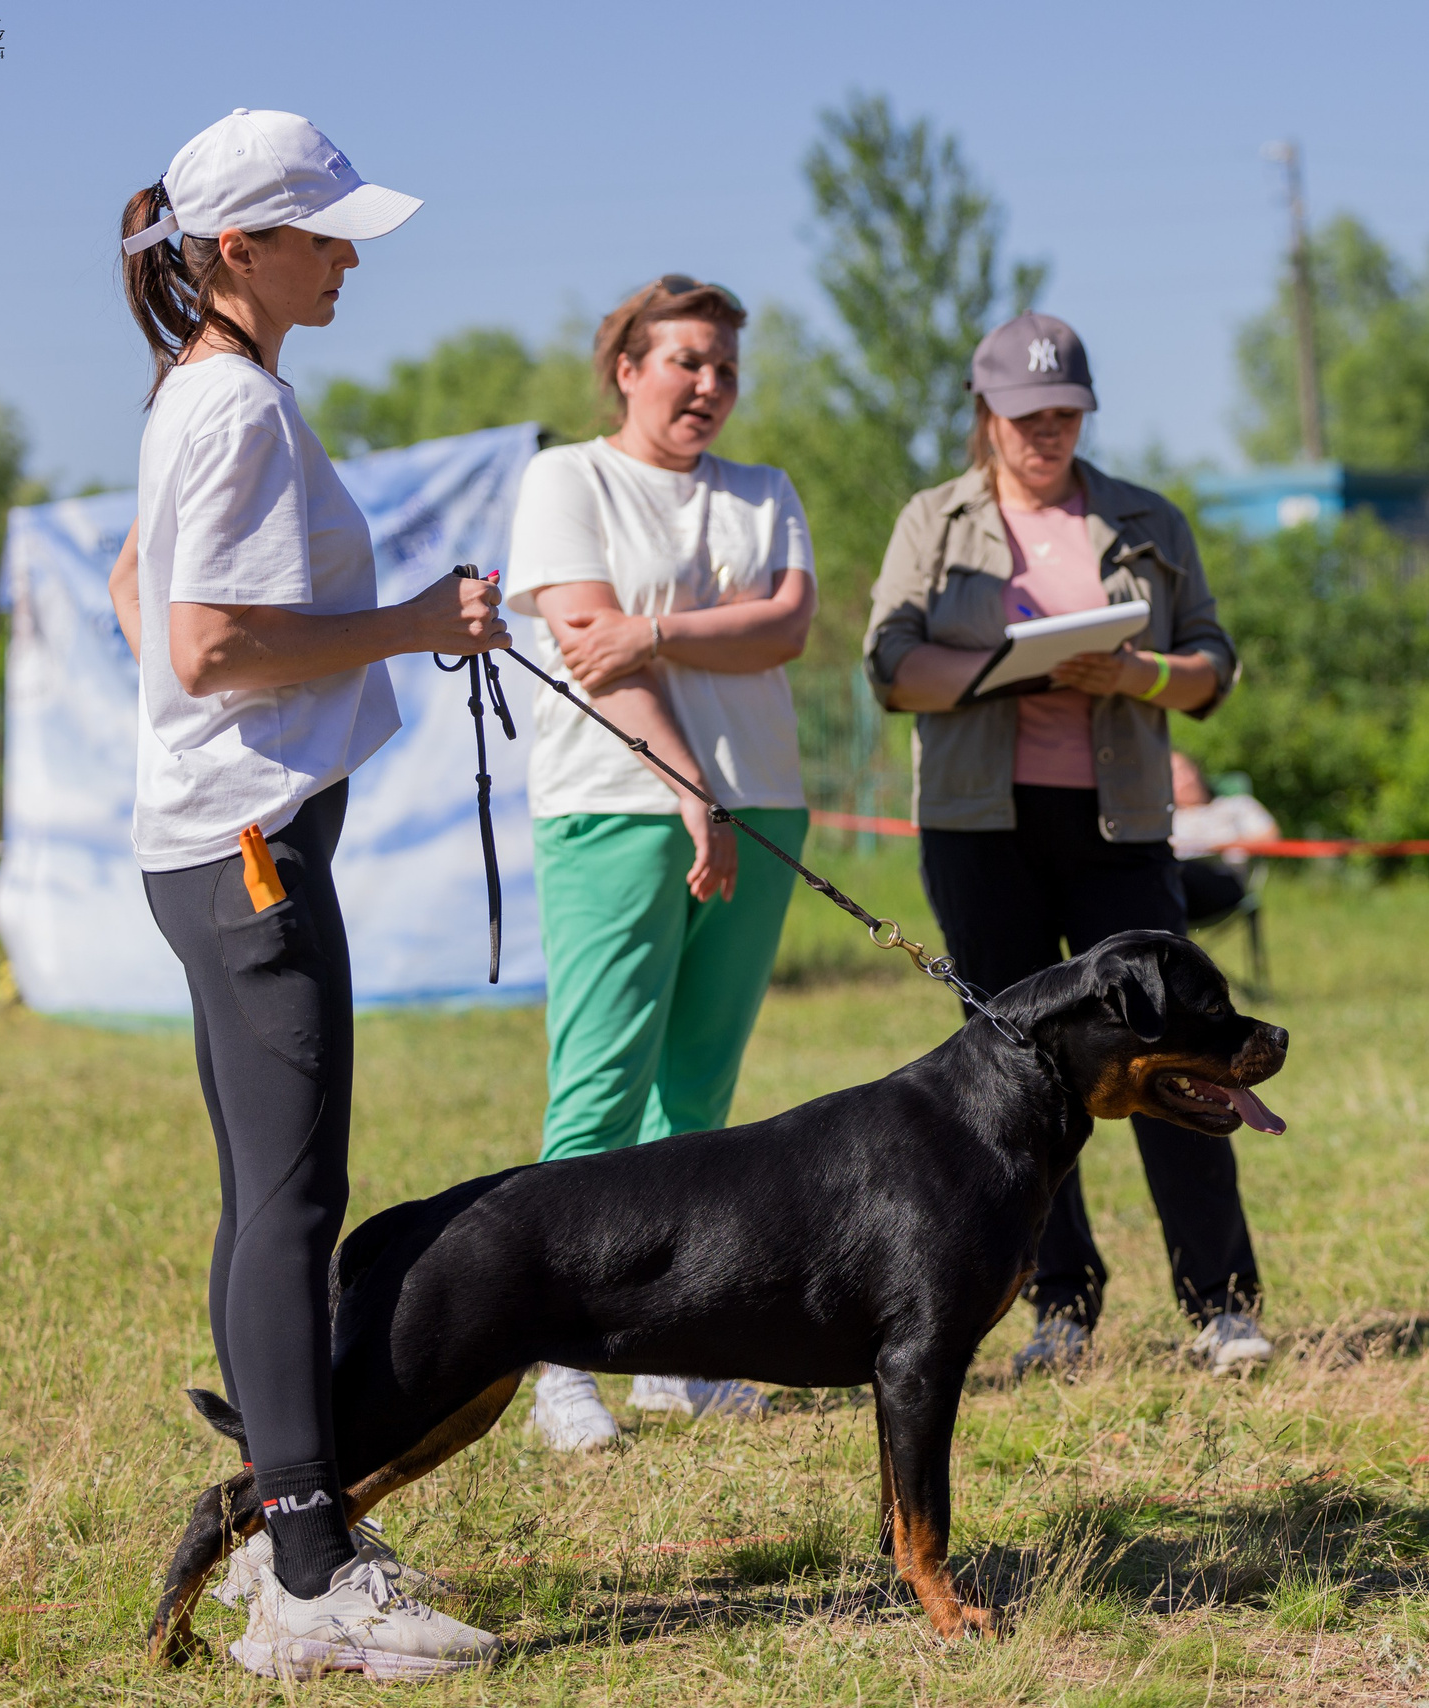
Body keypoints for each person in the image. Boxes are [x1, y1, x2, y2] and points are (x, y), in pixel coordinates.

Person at [106, 109, 504, 1675]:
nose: (349, 257)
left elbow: (146, 596)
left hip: (218, 845)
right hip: (249, 852)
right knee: (293, 1207)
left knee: (270, 1202)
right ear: (238, 249)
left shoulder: (208, 391)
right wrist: (408, 621)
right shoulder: (234, 412)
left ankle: (300, 1537)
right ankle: (312, 1569)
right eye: (326, 232)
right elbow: (199, 643)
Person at [863, 311, 1271, 1378]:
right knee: (1012, 1079)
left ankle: (1221, 1306)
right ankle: (1059, 1306)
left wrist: (1134, 675)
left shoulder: (1148, 518)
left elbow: (1213, 668)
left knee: (1174, 1052)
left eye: (1065, 414)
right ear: (984, 416)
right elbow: (890, 666)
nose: (1047, 432)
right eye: (1025, 415)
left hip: (1118, 826)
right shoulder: (931, 520)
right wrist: (1008, 669)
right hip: (977, 826)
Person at [502, 275, 817, 1450]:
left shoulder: (764, 491)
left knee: (697, 1102)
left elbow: (785, 626)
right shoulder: (566, 481)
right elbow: (595, 650)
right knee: (596, 1091)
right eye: (686, 360)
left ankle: (678, 1351)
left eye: (727, 366)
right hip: (616, 809)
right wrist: (690, 784)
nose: (709, 386)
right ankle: (557, 1359)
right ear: (626, 366)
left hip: (765, 806)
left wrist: (663, 626)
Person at [1168, 750, 1277, 921]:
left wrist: (1218, 846)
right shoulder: (1163, 819)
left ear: (1197, 770)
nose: (1185, 780)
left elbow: (1270, 837)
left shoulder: (1235, 805)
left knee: (1167, 877)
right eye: (1173, 775)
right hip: (1172, 882)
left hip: (1222, 881)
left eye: (1185, 770)